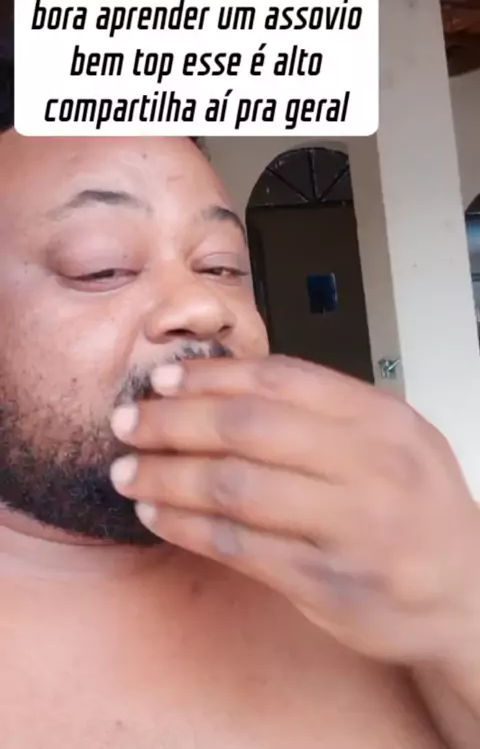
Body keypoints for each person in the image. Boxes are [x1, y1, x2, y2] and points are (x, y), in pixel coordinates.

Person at [0, 128, 479, 749]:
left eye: (221, 267)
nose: (204, 307)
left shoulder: (377, 570)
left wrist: (465, 600)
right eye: (102, 267)